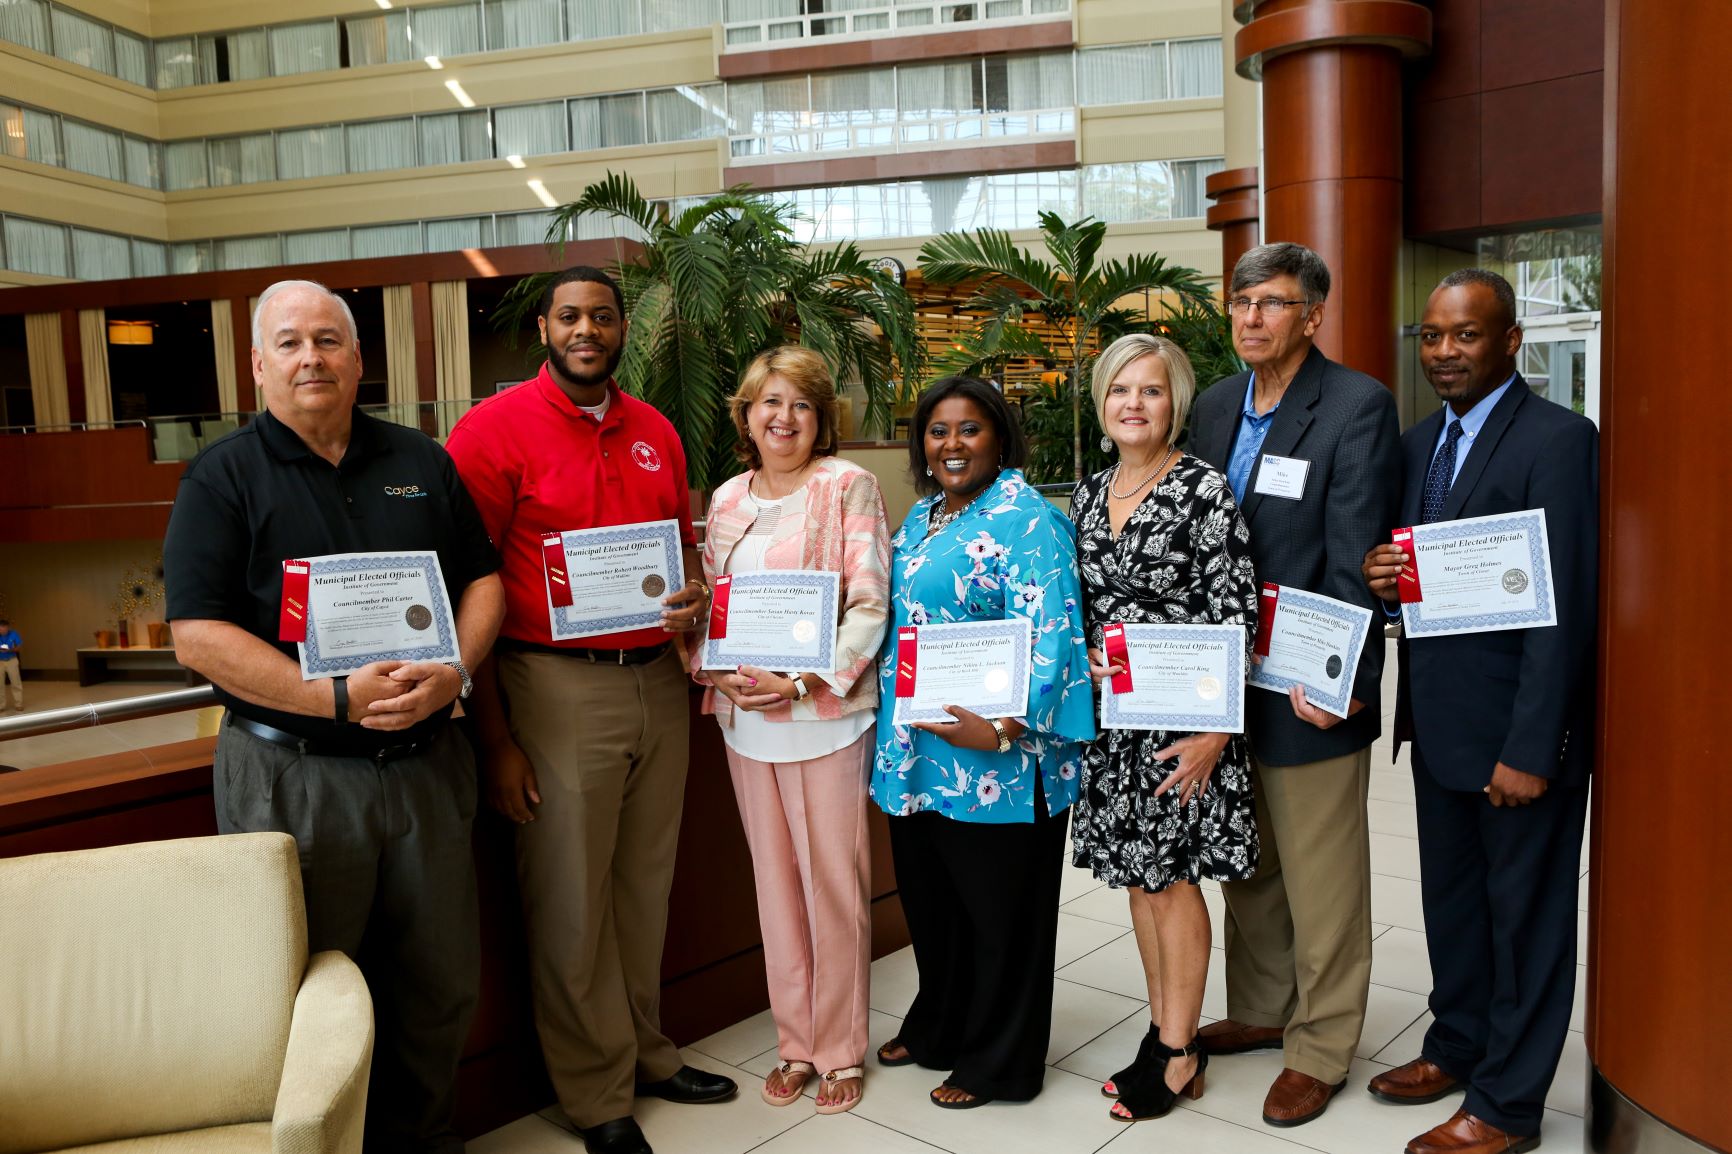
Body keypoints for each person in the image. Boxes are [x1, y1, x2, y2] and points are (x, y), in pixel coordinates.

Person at [163, 279, 506, 1153]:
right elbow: (197, 635)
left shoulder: (420, 459)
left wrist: (455, 672)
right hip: (296, 779)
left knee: (438, 990)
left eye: (327, 340)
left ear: (358, 360)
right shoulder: (221, 477)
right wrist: (335, 700)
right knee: (307, 996)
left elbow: (483, 580)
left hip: (428, 768)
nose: (309, 357)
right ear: (257, 365)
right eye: (288, 343)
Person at [444, 266, 734, 1154]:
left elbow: (681, 554)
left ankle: (645, 1051)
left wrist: (690, 596)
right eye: (569, 316)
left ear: (620, 332)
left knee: (643, 891)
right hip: (552, 687)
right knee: (570, 901)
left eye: (601, 317)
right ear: (543, 329)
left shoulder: (654, 430)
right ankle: (596, 1093)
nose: (586, 330)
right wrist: (494, 739)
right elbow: (472, 586)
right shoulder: (489, 433)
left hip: (654, 676)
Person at [1360, 270, 1596, 1154]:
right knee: (1454, 906)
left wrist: (1533, 746)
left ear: (1509, 341)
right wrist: (1384, 584)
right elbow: (1420, 582)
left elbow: (1564, 606)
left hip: (1519, 741)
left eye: (1465, 335)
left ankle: (1506, 1105)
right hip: (1441, 731)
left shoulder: (1561, 440)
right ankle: (1458, 1044)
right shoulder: (1419, 446)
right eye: (1432, 337)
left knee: (1526, 919)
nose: (1445, 352)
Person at [1187, 242, 1401, 1126]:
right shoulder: (1211, 405)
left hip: (1305, 678)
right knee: (1255, 860)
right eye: (1240, 302)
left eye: (1270, 304)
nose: (1249, 318)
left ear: (1311, 315)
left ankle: (1321, 1046)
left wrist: (1343, 672)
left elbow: (1356, 551)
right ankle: (1267, 1008)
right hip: (1221, 680)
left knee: (1323, 875)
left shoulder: (1356, 405)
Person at [869, 376, 1095, 1109]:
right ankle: (940, 1024)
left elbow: (1057, 636)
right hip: (922, 756)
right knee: (936, 905)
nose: (952, 444)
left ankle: (1001, 1059)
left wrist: (999, 728)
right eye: (938, 431)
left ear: (1000, 437)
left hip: (999, 759)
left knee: (1003, 917)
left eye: (970, 429)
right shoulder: (925, 516)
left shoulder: (1029, 520)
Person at [690, 346, 890, 1116]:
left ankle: (840, 1047)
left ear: (821, 419)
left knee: (833, 892)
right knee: (775, 893)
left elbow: (870, 603)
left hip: (824, 720)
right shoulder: (729, 497)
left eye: (801, 405)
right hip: (746, 723)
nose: (783, 418)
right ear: (745, 416)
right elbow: (714, 604)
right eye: (768, 404)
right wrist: (720, 666)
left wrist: (802, 679)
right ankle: (795, 1044)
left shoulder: (849, 486)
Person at [1070, 334, 1260, 1122]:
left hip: (1186, 724)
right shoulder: (1088, 492)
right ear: (1103, 402)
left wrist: (1216, 733)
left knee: (1173, 882)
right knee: (1140, 884)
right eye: (1120, 390)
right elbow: (1082, 608)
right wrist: (1084, 653)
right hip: (1116, 725)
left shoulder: (1202, 491)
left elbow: (1239, 611)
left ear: (1173, 402)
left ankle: (1182, 1053)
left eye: (1150, 390)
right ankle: (1162, 1032)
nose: (1134, 404)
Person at [0, 618, 21, 710]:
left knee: (16, 683)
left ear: (8, 628)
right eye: (0, 629)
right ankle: (1, 705)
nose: (2, 631)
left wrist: (10, 650)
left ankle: (18, 704)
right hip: (0, 661)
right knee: (0, 685)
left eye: (4, 629)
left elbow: (19, 647)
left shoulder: (14, 634)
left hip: (12, 660)